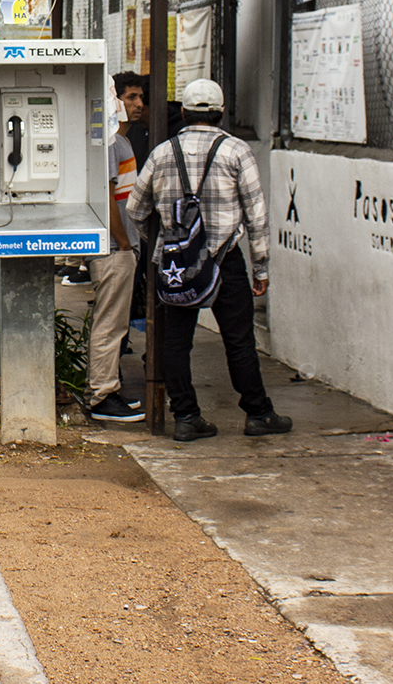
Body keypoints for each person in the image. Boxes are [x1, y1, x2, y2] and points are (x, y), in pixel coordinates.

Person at [125, 78, 290, 442]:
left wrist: (167, 242)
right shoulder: (237, 152)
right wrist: (261, 267)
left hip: (176, 264)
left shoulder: (163, 152)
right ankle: (258, 412)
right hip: (225, 259)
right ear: (221, 113)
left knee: (176, 341)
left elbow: (135, 210)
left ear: (182, 113)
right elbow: (256, 215)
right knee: (239, 339)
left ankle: (185, 415)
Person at [82, 75, 147, 422]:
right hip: (113, 248)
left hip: (117, 246)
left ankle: (107, 387)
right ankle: (102, 395)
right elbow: (108, 198)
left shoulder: (117, 141)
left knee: (113, 323)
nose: (136, 104)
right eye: (129, 97)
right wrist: (123, 243)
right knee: (110, 324)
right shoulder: (110, 142)